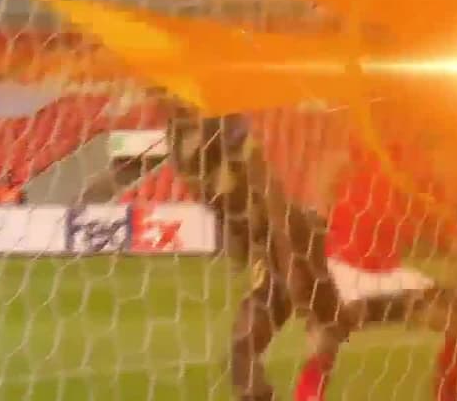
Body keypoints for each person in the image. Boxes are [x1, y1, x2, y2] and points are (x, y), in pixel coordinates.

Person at [78, 97, 339, 401]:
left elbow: (267, 188)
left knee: (294, 340)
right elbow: (226, 203)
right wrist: (247, 248)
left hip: (289, 243)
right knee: (253, 348)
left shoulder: (218, 125)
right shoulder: (181, 137)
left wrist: (288, 260)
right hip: (272, 248)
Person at [295, 136, 457, 401]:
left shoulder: (417, 190)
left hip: (391, 277)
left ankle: (448, 395)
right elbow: (321, 192)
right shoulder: (356, 156)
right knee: (326, 335)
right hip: (343, 271)